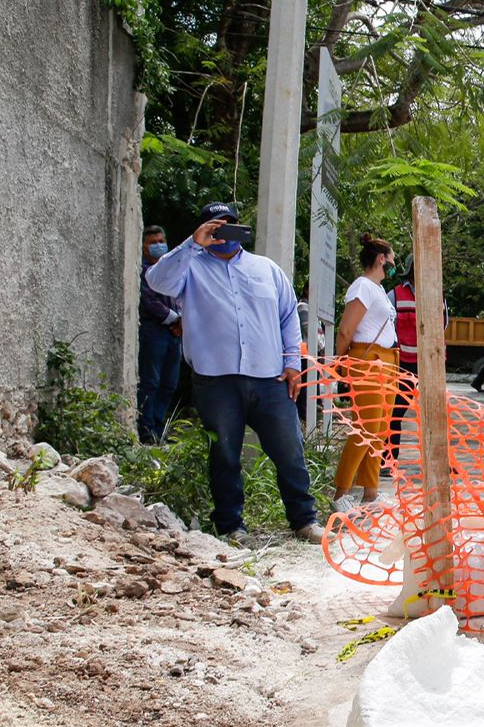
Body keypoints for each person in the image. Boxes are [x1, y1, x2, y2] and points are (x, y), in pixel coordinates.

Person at [145, 202, 324, 543]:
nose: (224, 231)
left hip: (270, 378)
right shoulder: (189, 268)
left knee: (289, 450)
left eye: (230, 225)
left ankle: (304, 520)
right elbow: (156, 281)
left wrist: (291, 364)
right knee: (225, 454)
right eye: (216, 226)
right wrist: (193, 243)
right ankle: (231, 526)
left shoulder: (266, 269)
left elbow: (288, 318)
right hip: (216, 380)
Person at [331, 233, 402, 512]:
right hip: (368, 360)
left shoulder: (378, 290)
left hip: (386, 361)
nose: (394, 265)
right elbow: (346, 329)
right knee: (365, 428)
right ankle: (341, 492)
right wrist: (340, 363)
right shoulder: (362, 286)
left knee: (381, 428)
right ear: (381, 259)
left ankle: (371, 493)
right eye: (392, 260)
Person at [387, 262, 448, 455]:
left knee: (436, 415)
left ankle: (439, 461)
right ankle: (388, 460)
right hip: (404, 364)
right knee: (395, 412)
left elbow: (443, 324)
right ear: (411, 271)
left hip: (431, 365)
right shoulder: (394, 295)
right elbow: (389, 327)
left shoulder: (437, 295)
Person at [136, 224, 182, 443]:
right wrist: (177, 320)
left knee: (169, 383)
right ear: (144, 246)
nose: (158, 246)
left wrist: (182, 321)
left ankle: (159, 428)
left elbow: (181, 296)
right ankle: (145, 429)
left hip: (174, 333)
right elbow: (150, 303)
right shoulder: (143, 271)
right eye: (153, 243)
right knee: (151, 381)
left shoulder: (169, 271)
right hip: (154, 331)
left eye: (161, 241)